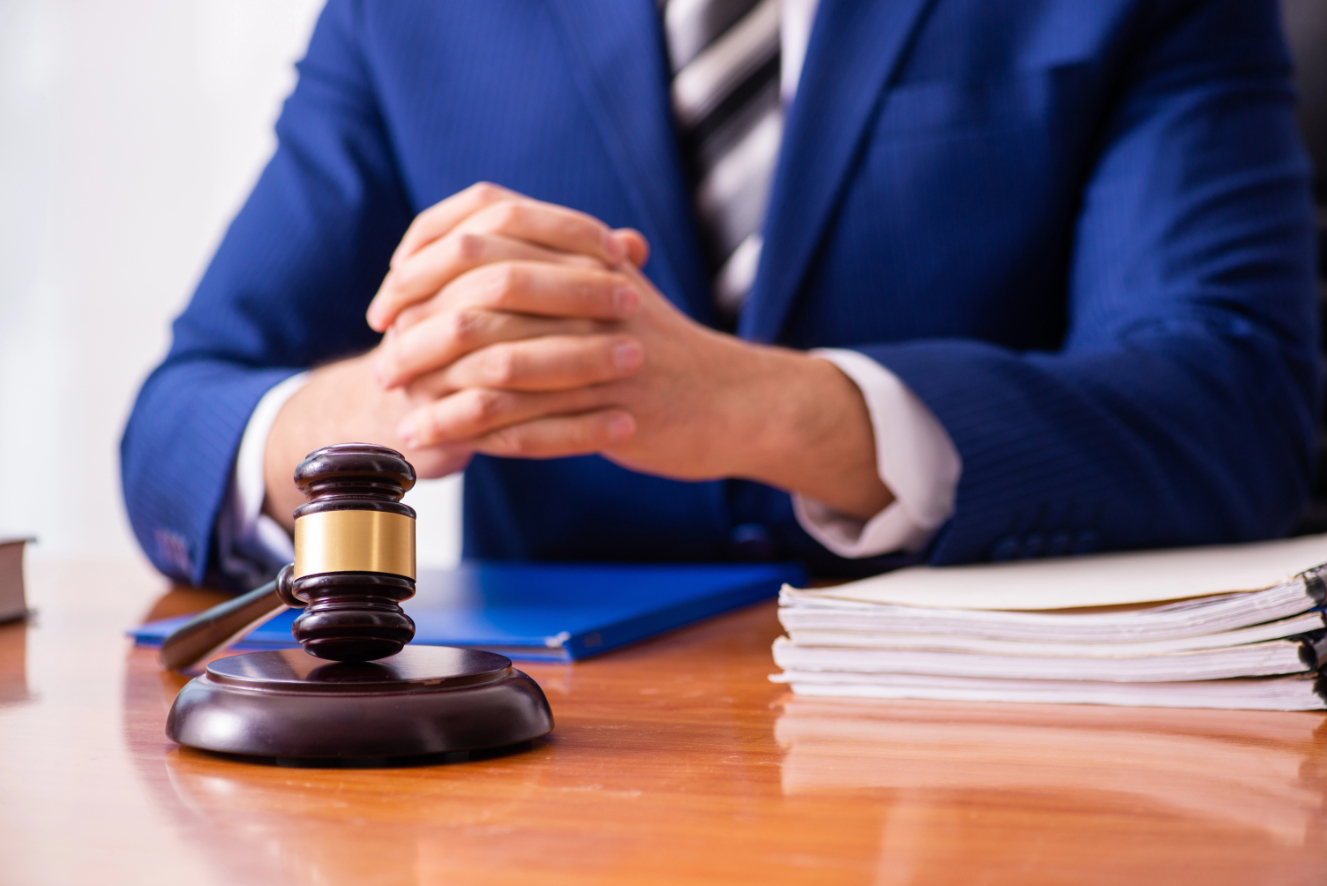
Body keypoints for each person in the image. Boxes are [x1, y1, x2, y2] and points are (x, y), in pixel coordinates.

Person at [122, 0, 1319, 589]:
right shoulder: (412, 13)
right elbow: (180, 422)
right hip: (555, 787)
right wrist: (399, 397)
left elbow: (1242, 400)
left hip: (994, 768)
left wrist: (780, 411)